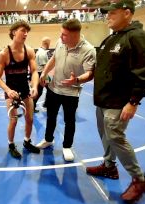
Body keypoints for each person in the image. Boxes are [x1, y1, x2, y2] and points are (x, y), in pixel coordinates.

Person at [85, 0, 145, 204]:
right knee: (105, 135)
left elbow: (144, 75)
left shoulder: (138, 37)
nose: (107, 16)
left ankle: (140, 179)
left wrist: (133, 102)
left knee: (116, 136)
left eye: (111, 13)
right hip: (104, 99)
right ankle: (109, 166)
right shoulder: (110, 39)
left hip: (119, 101)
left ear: (127, 13)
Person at [36, 19, 96, 161]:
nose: (61, 37)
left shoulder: (88, 50)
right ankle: (48, 139)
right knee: (51, 117)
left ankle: (67, 146)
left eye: (64, 35)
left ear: (76, 35)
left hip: (71, 92)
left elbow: (89, 73)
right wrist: (44, 73)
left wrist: (76, 80)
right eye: (61, 34)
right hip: (54, 88)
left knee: (70, 121)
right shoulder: (60, 42)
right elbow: (54, 59)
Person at [0, 20, 41, 159]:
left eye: (27, 31)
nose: (26, 33)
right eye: (23, 30)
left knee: (30, 119)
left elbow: (34, 71)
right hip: (11, 91)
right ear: (14, 32)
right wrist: (8, 91)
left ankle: (27, 142)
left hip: (25, 89)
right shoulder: (4, 53)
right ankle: (11, 145)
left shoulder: (29, 51)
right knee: (14, 120)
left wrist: (34, 86)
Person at [33, 36, 51, 113]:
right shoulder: (42, 53)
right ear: (47, 43)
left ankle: (46, 104)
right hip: (41, 74)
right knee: (40, 91)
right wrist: (45, 79)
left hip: (41, 73)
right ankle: (32, 106)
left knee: (49, 89)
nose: (50, 44)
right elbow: (45, 68)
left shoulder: (40, 51)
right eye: (49, 43)